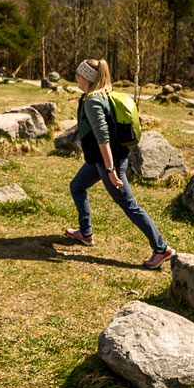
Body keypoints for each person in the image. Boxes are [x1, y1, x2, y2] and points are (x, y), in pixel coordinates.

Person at [65, 58, 175, 269]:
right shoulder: (100, 96)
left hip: (109, 162)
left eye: (78, 74)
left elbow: (102, 137)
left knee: (130, 205)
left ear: (86, 78)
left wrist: (110, 169)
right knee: (77, 186)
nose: (76, 77)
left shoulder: (93, 101)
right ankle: (85, 233)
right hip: (99, 161)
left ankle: (161, 249)